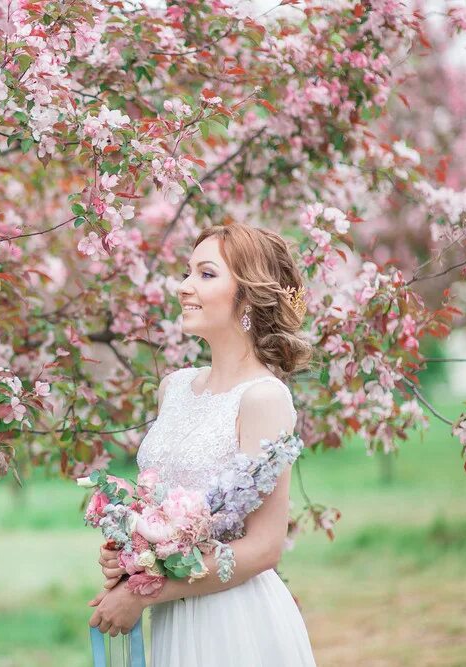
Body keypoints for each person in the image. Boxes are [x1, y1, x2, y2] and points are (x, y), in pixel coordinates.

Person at [87, 223, 317, 666]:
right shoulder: (173, 387)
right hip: (175, 620)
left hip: (233, 623)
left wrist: (143, 593)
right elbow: (158, 505)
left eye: (205, 274)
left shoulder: (263, 398)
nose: (183, 287)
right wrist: (131, 554)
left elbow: (264, 547)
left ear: (247, 296)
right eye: (187, 272)